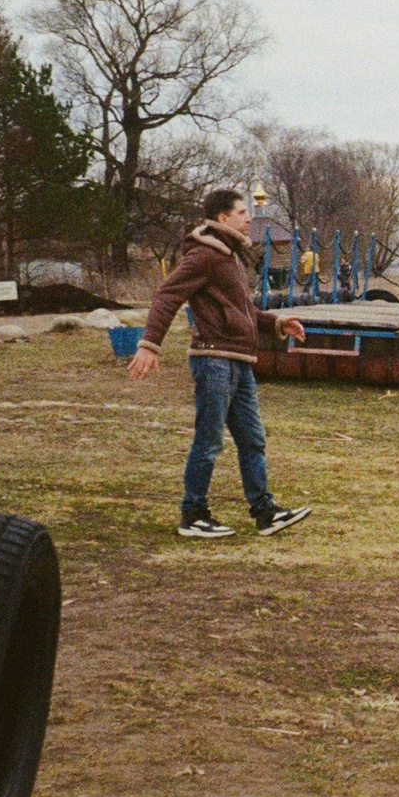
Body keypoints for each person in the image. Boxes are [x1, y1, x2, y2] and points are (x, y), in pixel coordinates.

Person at [129, 186, 313, 539]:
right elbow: (167, 294)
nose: (248, 219)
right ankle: (193, 515)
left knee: (253, 439)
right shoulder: (205, 255)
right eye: (242, 213)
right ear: (222, 217)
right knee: (210, 440)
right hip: (214, 360)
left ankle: (265, 513)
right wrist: (150, 344)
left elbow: (243, 311)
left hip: (238, 361)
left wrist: (277, 323)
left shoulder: (229, 257)